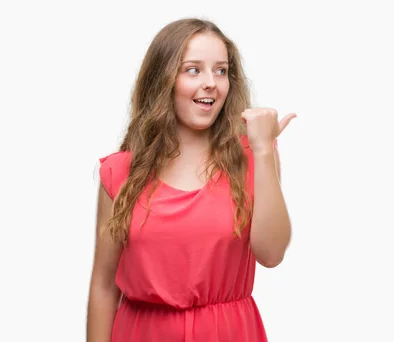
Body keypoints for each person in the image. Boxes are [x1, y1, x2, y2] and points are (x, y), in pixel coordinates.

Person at [86, 18, 295, 341]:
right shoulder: (120, 172)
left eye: (221, 70)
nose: (211, 82)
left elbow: (271, 254)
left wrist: (264, 150)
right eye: (193, 69)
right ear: (163, 79)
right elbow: (103, 284)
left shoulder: (253, 156)